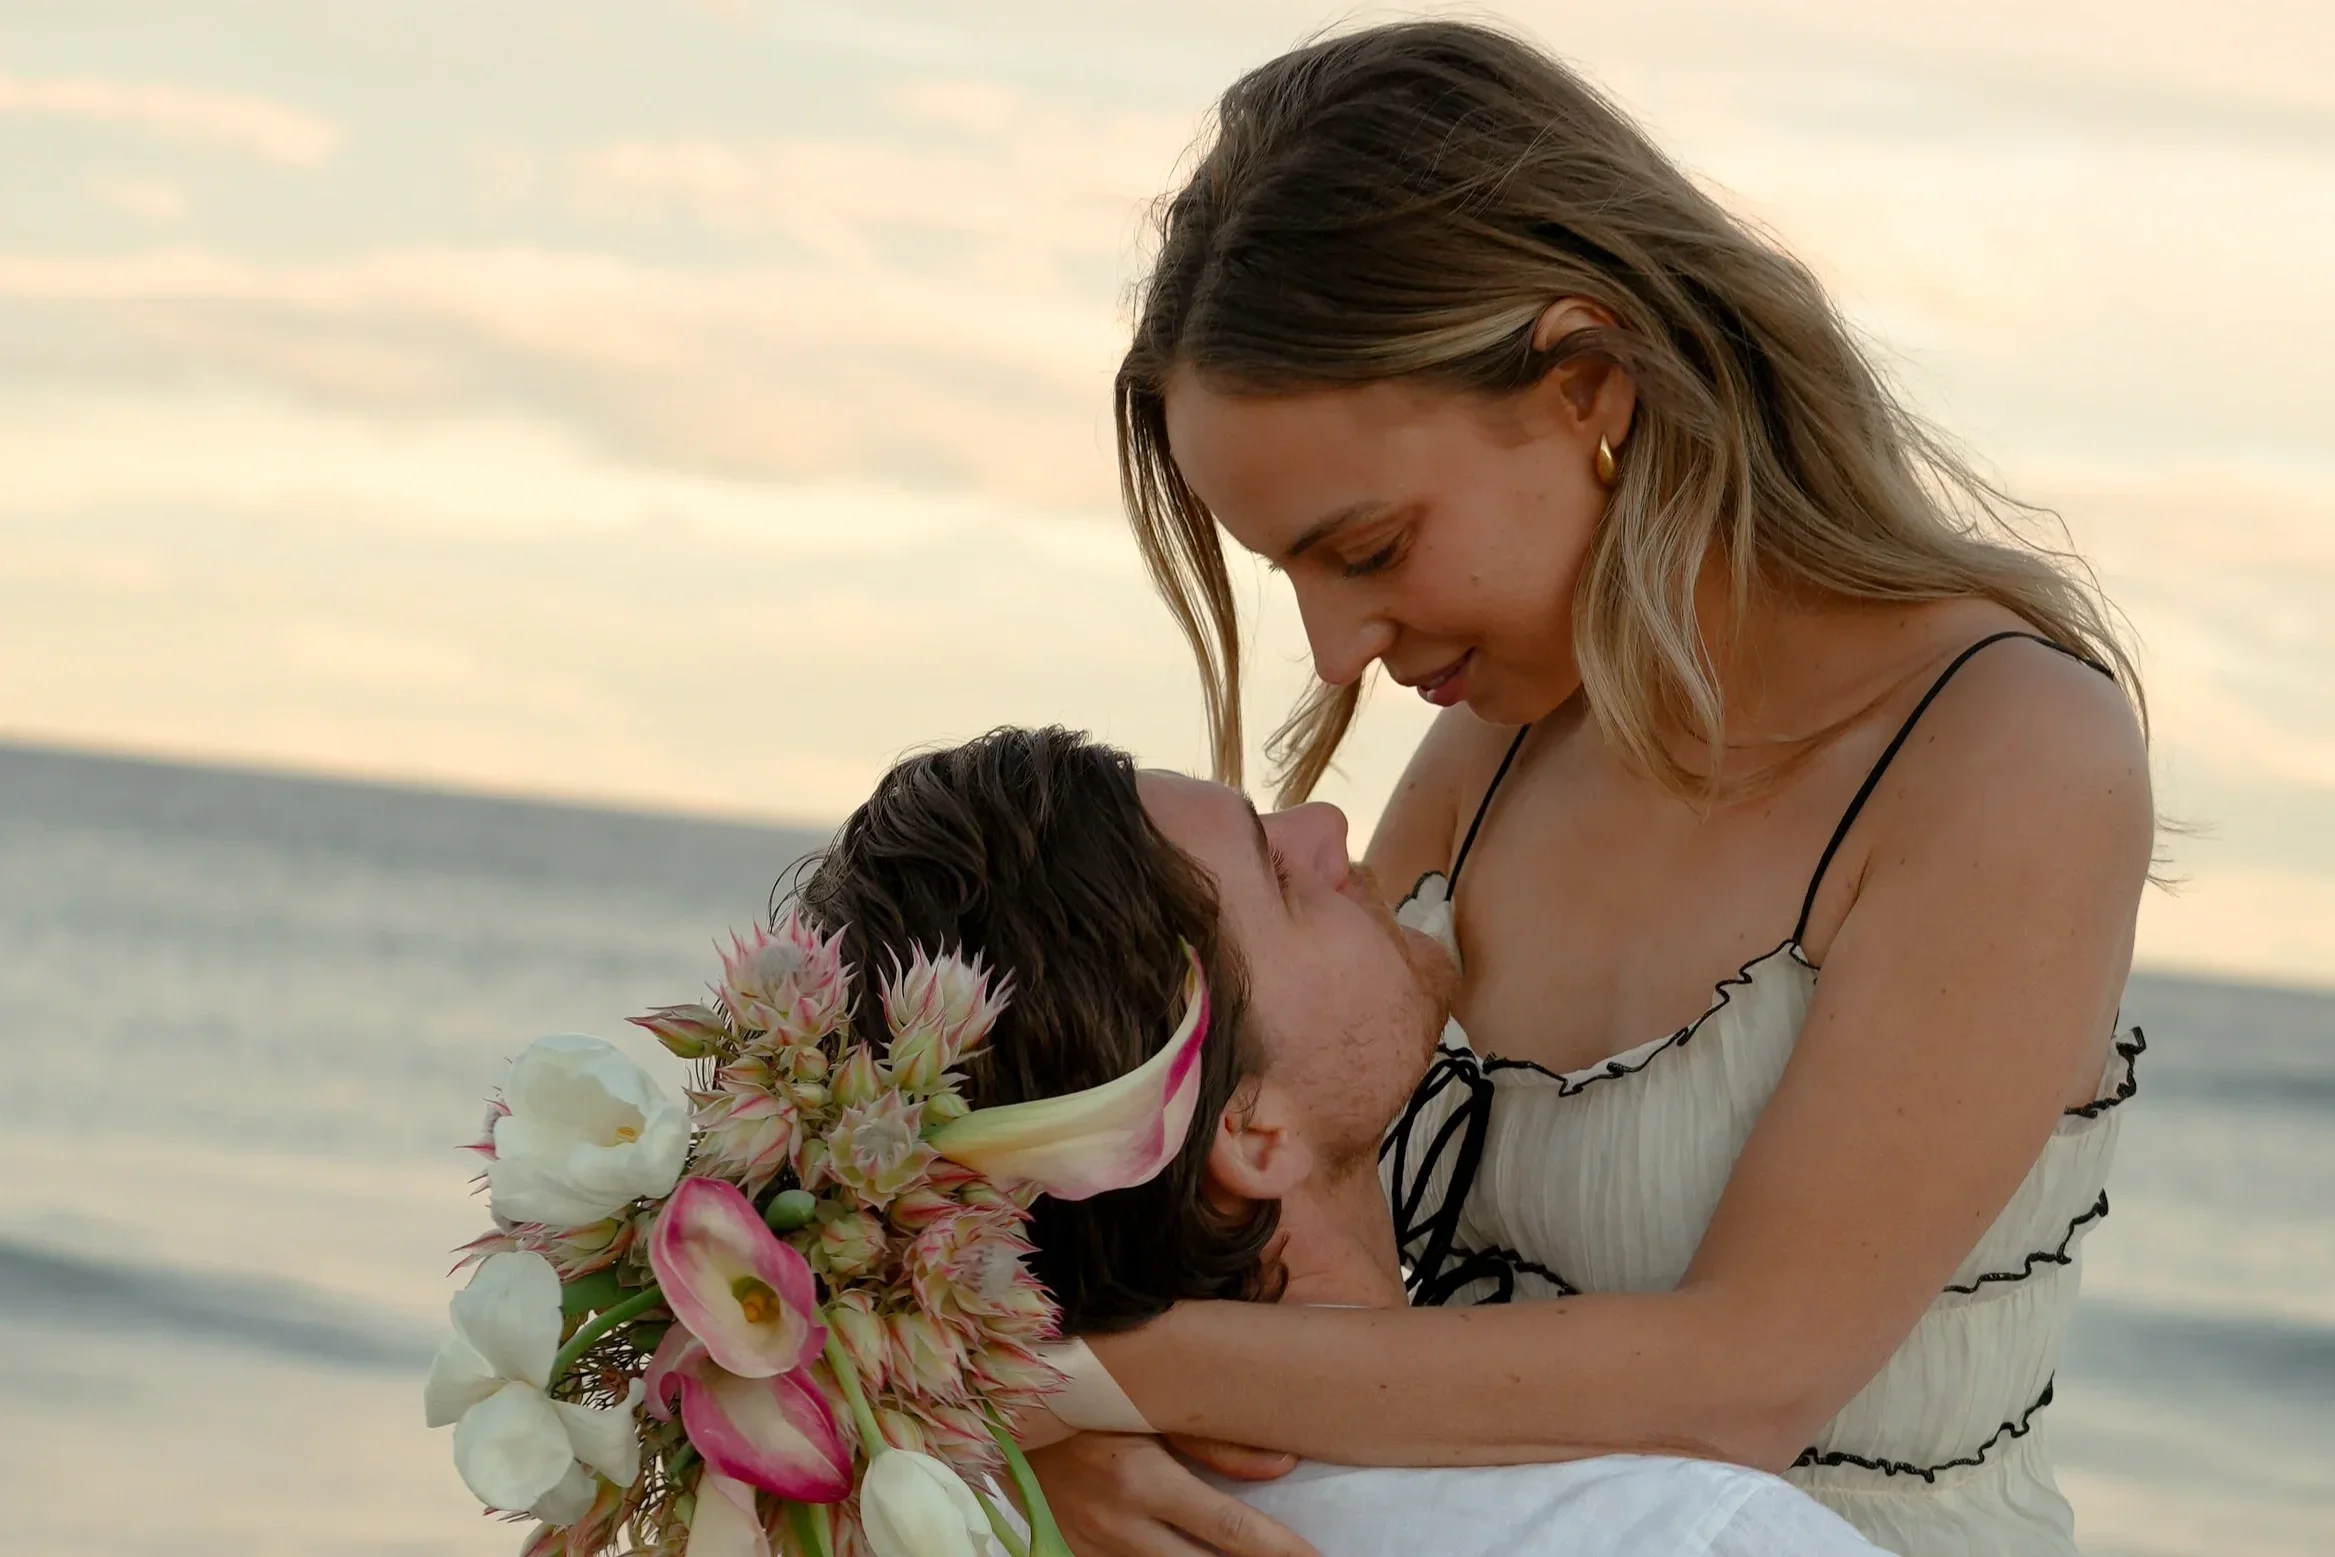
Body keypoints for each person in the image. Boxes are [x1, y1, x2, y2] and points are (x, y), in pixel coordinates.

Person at [1060, 18, 2155, 1557]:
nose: (1334, 649)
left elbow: (1744, 1381)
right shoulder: (1484, 760)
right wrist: (1042, 1456)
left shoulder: (2000, 754)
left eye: (1365, 549)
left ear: (1586, 383)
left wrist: (1067, 1383)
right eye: (1284, 571)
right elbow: (1262, 1187)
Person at [792, 726, 1886, 1557]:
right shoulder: (1683, 1535)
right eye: (1277, 876)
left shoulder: (941, 1516)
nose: (1326, 822)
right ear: (1250, 1129)